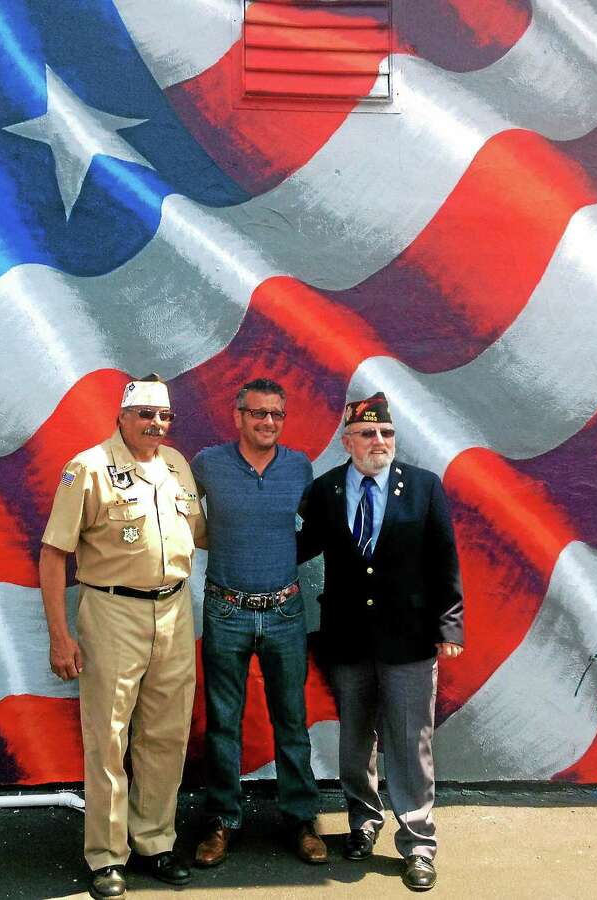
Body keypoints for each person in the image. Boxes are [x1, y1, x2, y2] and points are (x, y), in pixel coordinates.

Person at [39, 375, 205, 899]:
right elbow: (52, 554)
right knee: (108, 737)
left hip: (175, 611)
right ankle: (107, 856)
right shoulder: (86, 469)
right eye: (145, 415)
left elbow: (200, 531)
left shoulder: (176, 464)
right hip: (112, 611)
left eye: (164, 416)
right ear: (122, 416)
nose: (156, 424)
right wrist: (60, 636)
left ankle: (154, 840)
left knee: (166, 732)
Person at [298, 392, 464, 893]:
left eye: (386, 433)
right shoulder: (325, 491)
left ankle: (417, 842)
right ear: (347, 441)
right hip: (348, 638)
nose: (379, 442)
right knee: (355, 739)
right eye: (368, 434)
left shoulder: (423, 488)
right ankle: (362, 822)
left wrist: (449, 624)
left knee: (411, 742)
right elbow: (297, 548)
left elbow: (444, 559)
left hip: (409, 639)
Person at [189, 378, 327, 867]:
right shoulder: (207, 464)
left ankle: (301, 818)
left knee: (292, 720)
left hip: (286, 611)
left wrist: (283, 560)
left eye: (276, 415)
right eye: (258, 413)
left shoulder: (298, 466)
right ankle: (222, 821)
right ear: (238, 415)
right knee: (223, 723)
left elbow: (317, 526)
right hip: (226, 609)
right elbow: (175, 505)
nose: (267, 422)